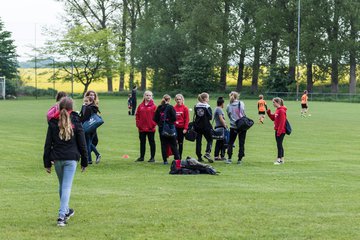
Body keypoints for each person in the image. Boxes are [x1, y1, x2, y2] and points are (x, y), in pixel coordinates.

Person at [43, 97, 88, 227]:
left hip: (57, 159)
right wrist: (85, 161)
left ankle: (66, 210)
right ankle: (61, 216)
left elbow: (47, 144)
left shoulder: (53, 121)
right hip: (71, 158)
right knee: (66, 186)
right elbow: (82, 143)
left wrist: (47, 163)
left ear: (59, 106)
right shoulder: (76, 120)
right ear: (71, 107)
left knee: (62, 185)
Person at [154, 94, 180, 164]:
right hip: (170, 128)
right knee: (174, 144)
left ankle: (165, 160)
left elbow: (155, 118)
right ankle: (177, 160)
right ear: (169, 100)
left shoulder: (159, 107)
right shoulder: (171, 107)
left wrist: (160, 124)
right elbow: (174, 118)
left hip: (162, 128)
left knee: (164, 144)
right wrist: (170, 123)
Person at [226, 91, 248, 164]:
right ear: (237, 96)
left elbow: (229, 115)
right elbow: (243, 112)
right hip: (242, 126)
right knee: (241, 143)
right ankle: (240, 159)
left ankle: (229, 158)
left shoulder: (229, 105)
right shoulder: (241, 103)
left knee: (231, 142)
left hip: (233, 126)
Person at [135, 90, 157, 162]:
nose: (148, 97)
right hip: (142, 128)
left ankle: (152, 157)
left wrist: (153, 124)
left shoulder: (154, 106)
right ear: (144, 96)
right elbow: (137, 116)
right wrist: (138, 124)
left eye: (150, 95)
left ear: (152, 97)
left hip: (151, 128)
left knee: (152, 142)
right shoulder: (140, 106)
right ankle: (141, 157)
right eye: (147, 95)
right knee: (142, 143)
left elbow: (157, 117)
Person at [79, 95, 101, 164]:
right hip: (91, 128)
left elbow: (84, 118)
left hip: (87, 128)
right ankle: (94, 157)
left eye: (87, 101)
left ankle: (90, 159)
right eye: (84, 101)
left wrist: (83, 108)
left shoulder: (88, 108)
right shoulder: (92, 107)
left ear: (91, 101)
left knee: (87, 143)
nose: (85, 102)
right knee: (89, 143)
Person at [194, 92, 213, 163]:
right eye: (208, 98)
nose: (208, 99)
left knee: (198, 142)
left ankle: (199, 156)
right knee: (210, 140)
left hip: (197, 126)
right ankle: (207, 153)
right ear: (205, 98)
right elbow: (210, 117)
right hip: (206, 126)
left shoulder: (196, 106)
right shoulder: (207, 106)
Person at [267, 97, 287, 165]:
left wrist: (279, 131)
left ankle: (278, 160)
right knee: (280, 145)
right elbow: (274, 118)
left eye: (274, 102)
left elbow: (282, 122)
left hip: (281, 131)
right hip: (278, 130)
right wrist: (269, 114)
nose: (273, 103)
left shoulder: (281, 110)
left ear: (277, 103)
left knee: (279, 145)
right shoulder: (278, 110)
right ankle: (282, 160)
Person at [173, 94, 189, 160]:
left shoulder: (185, 108)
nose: (178, 101)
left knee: (180, 143)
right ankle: (176, 156)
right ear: (175, 100)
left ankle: (180, 157)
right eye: (177, 99)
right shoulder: (173, 108)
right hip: (175, 128)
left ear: (182, 100)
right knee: (174, 142)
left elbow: (187, 119)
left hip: (181, 128)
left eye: (180, 99)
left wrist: (185, 128)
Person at [213, 97, 228, 161]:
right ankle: (222, 156)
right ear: (222, 103)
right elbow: (221, 118)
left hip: (218, 127)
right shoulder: (219, 109)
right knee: (222, 142)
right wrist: (225, 126)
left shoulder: (216, 108)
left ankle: (217, 156)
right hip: (221, 127)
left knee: (219, 142)